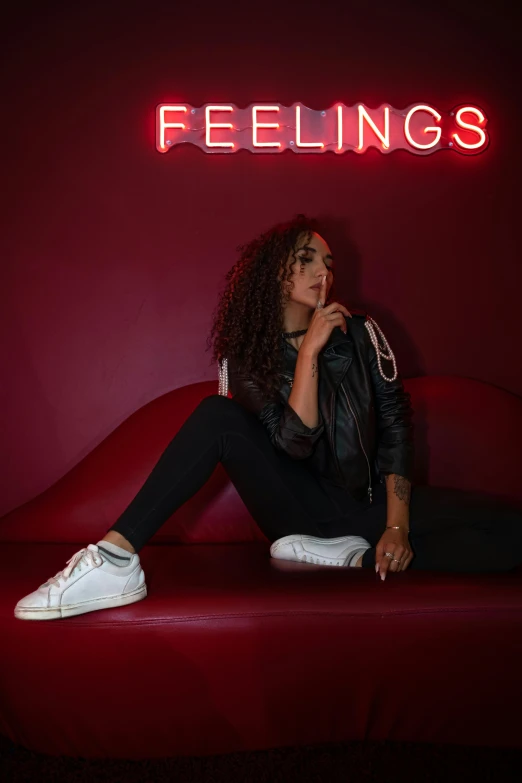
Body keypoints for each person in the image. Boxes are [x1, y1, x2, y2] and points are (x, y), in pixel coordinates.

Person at [14, 214, 522, 621]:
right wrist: (308, 355)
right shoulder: (246, 356)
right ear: (277, 273)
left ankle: (353, 556)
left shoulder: (363, 334)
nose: (323, 271)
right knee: (217, 414)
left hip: (366, 507)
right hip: (295, 514)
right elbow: (295, 445)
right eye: (307, 260)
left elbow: (395, 426)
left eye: (328, 261)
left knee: (509, 531)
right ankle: (116, 560)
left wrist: (396, 527)